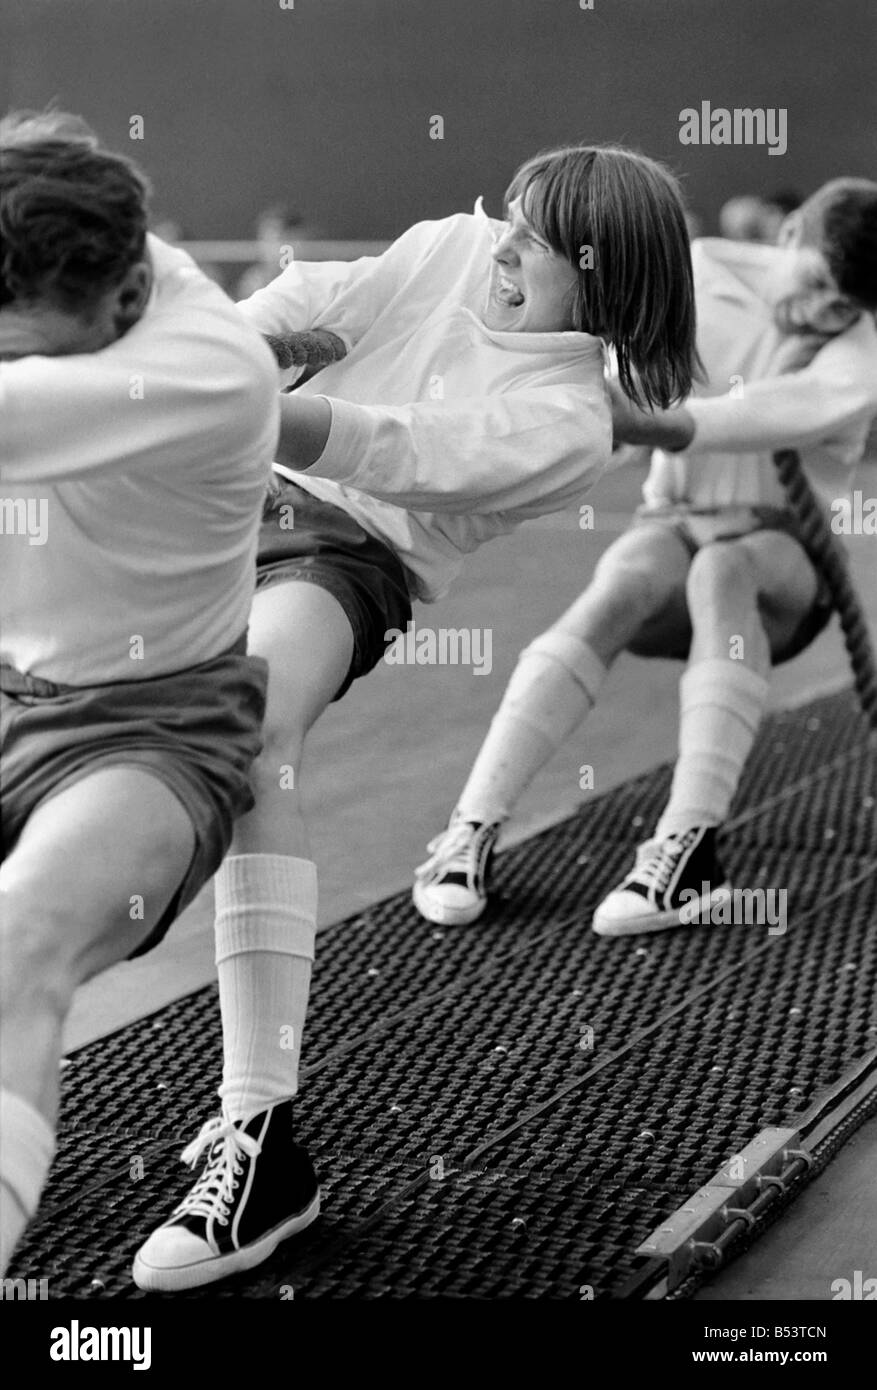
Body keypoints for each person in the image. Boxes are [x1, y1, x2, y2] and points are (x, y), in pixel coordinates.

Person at [133, 142, 700, 1289]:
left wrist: (228, 388)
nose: (502, 245)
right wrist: (222, 346)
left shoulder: (565, 426)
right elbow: (299, 304)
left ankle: (260, 1140)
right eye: (513, 220)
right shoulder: (449, 243)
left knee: (251, 740)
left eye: (539, 244)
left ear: (606, 279)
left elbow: (391, 452)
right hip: (218, 490)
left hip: (347, 554)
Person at [414, 177, 877, 935]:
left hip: (781, 570)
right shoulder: (692, 273)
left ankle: (687, 851)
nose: (828, 310)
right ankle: (468, 830)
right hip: (674, 523)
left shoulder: (856, 352)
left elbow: (761, 414)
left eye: (846, 304)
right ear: (789, 233)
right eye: (823, 285)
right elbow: (612, 370)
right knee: (617, 586)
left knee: (721, 567)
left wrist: (648, 423)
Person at [0, 112, 279, 1272]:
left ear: (119, 303)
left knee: (15, 946)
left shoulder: (205, 370)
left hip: (149, 732)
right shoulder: (68, 289)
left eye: (22, 345)